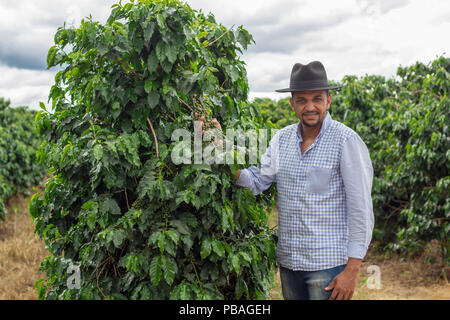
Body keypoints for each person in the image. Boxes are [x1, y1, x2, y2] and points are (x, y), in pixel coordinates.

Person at [198, 61, 374, 300]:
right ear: (292, 103)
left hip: (328, 265)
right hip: (290, 264)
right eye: (302, 100)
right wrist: (218, 146)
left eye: (317, 99)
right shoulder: (281, 140)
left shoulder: (346, 141)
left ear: (328, 101)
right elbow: (257, 180)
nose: (309, 107)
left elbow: (361, 208)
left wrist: (352, 269)